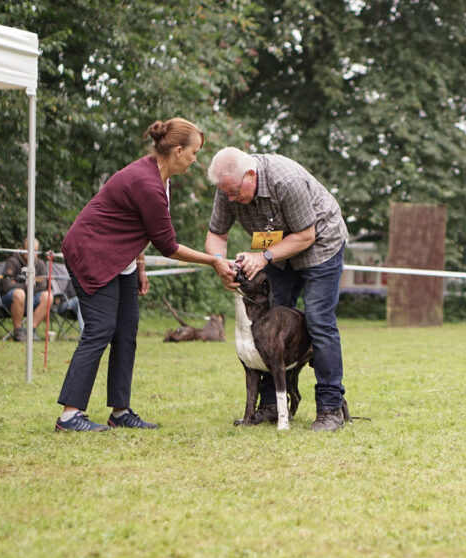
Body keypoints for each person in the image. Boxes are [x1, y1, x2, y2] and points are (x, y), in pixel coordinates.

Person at [55, 118, 236, 432]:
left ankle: (120, 412)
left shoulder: (159, 177)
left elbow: (136, 226)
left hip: (121, 258)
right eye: (194, 153)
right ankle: (70, 416)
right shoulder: (147, 182)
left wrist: (138, 266)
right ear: (178, 151)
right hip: (92, 253)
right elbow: (168, 245)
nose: (196, 160)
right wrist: (214, 261)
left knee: (126, 331)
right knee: (101, 328)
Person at [205, 147, 349, 431]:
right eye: (227, 194)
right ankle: (271, 405)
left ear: (250, 175)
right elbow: (216, 234)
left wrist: (263, 257)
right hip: (277, 248)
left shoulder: (286, 180)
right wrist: (220, 264)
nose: (231, 199)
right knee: (268, 324)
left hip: (320, 244)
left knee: (318, 321)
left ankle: (331, 409)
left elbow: (306, 235)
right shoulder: (227, 187)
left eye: (235, 192)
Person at [0, 238, 53, 342]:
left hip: (31, 299)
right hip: (9, 300)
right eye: (29, 249)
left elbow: (42, 286)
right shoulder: (12, 262)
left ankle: (31, 330)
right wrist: (28, 286)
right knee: (20, 293)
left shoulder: (40, 264)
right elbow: (6, 286)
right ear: (22, 249)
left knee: (48, 296)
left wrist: (19, 284)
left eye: (35, 250)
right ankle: (18, 331)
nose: (32, 253)